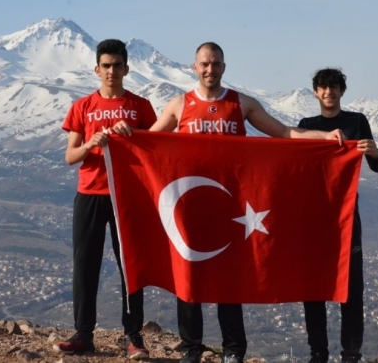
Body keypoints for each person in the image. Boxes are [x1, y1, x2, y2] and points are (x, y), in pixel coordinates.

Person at [149, 42, 344, 363]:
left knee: (228, 280)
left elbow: (282, 133)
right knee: (189, 276)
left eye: (216, 64)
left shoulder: (241, 103)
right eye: (204, 64)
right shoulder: (179, 105)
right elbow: (150, 142)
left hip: (232, 208)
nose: (210, 69)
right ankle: (191, 348)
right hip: (191, 209)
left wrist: (323, 137)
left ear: (224, 67)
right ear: (194, 68)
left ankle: (233, 350)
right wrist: (122, 136)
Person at [55, 39, 156, 360]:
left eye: (118, 65)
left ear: (127, 69)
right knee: (85, 265)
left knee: (131, 266)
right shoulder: (82, 107)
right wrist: (90, 145)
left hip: (128, 197)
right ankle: (83, 333)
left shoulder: (140, 107)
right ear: (97, 70)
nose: (112, 71)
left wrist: (135, 137)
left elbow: (157, 150)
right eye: (106, 66)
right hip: (90, 195)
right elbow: (70, 156)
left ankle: (133, 335)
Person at [297, 68, 378, 363]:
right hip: (313, 218)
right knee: (314, 289)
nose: (328, 92)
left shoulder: (357, 121)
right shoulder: (306, 125)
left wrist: (372, 151)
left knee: (351, 290)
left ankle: (351, 355)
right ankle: (318, 353)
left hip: (347, 217)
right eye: (323, 87)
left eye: (333, 87)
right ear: (315, 92)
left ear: (341, 91)